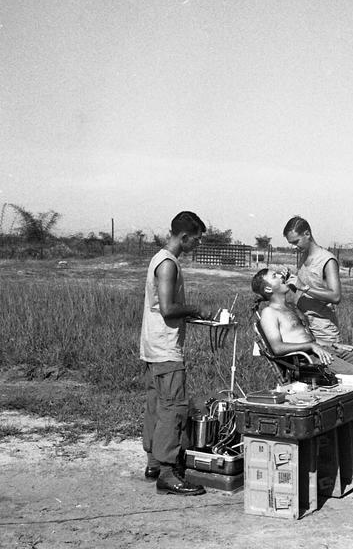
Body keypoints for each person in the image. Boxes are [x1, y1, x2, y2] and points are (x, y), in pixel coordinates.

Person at [282, 217, 353, 426]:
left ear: (307, 234)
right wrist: (291, 281)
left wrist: (302, 286)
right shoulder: (303, 258)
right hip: (311, 337)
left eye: (296, 242)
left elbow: (335, 296)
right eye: (291, 244)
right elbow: (300, 292)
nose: (295, 247)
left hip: (325, 334)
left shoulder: (327, 260)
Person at [140, 211, 211, 496]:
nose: (197, 244)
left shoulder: (160, 259)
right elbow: (168, 309)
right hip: (165, 349)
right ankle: (168, 474)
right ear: (184, 237)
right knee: (173, 408)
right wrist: (196, 310)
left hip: (153, 346)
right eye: (196, 239)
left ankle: (154, 463)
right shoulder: (168, 264)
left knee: (157, 405)